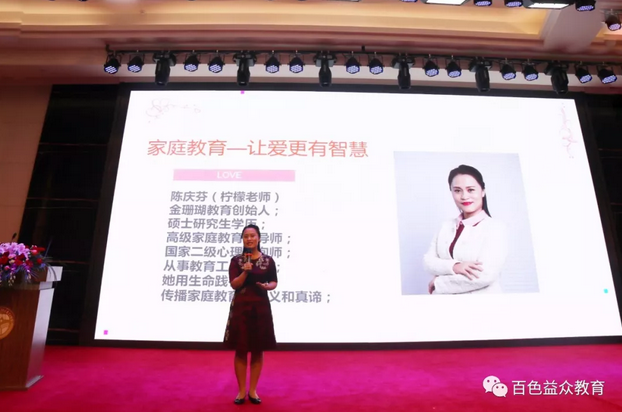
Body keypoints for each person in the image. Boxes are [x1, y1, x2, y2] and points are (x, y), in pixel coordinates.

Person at [423, 164, 508, 295]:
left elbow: (484, 275)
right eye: (457, 190)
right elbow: (428, 262)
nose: (464, 196)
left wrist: (439, 283)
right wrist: (455, 266)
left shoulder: (495, 228)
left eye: (471, 190)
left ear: (483, 191)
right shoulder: (445, 226)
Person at [223, 224, 278, 405]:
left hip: (261, 309)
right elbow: (234, 284)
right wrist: (246, 272)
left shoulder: (268, 260)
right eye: (246, 236)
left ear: (259, 238)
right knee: (241, 349)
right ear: (243, 239)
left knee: (257, 349)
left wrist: (268, 286)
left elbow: (274, 281)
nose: (249, 239)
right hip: (241, 309)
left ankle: (253, 390)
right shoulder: (236, 261)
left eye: (252, 235)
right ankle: (241, 391)